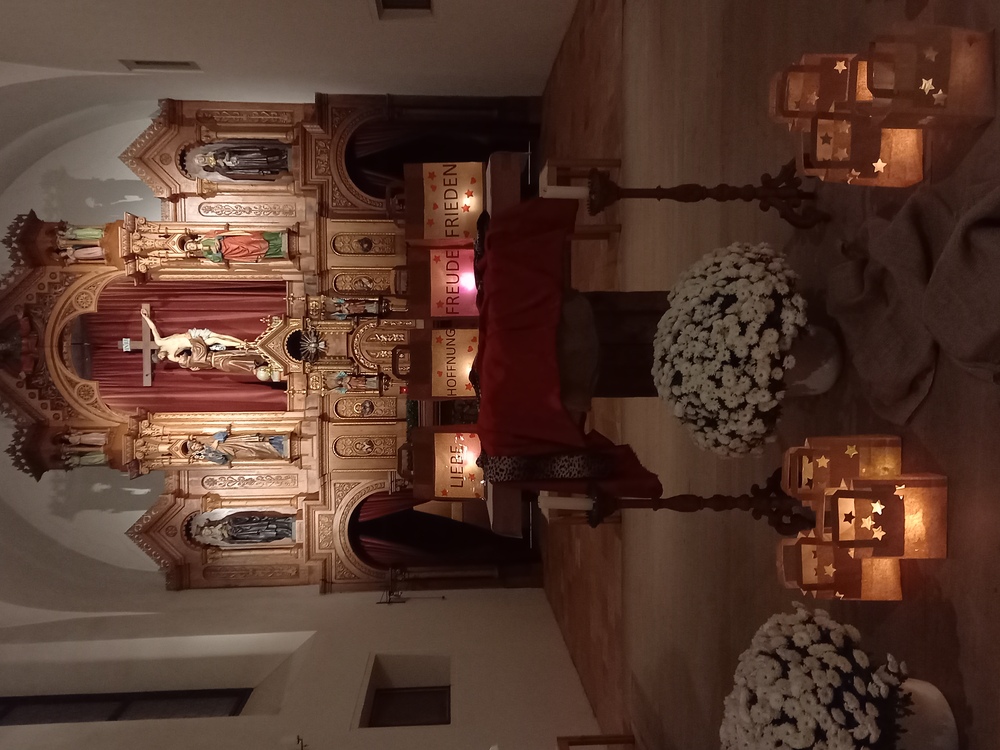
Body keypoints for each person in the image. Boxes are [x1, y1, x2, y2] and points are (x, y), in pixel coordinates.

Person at [139, 308, 248, 365]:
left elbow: (153, 328)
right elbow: (186, 362)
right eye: (161, 359)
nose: (162, 357)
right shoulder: (171, 356)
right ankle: (242, 345)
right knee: (216, 339)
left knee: (219, 335)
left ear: (158, 353)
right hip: (195, 343)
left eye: (160, 356)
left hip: (192, 334)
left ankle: (243, 343)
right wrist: (194, 366)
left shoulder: (160, 342)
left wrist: (145, 317)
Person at [190, 141, 289, 181]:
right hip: (240, 164)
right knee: (262, 163)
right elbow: (226, 172)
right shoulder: (213, 167)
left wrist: (227, 154)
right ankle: (281, 163)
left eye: (199, 157)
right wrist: (222, 165)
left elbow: (225, 149)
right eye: (199, 161)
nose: (201, 159)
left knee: (261, 154)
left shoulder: (213, 153)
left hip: (240, 155)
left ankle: (280, 153)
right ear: (202, 163)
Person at [189, 510, 295, 546]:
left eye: (205, 531)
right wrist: (228, 535)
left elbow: (232, 518)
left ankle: (285, 522)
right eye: (205, 534)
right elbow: (231, 541)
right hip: (248, 534)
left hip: (249, 525)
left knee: (267, 523)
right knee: (266, 534)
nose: (207, 533)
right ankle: (285, 532)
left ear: (206, 527)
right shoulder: (218, 537)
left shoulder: (220, 522)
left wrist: (226, 525)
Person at [185, 431, 288, 465]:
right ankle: (282, 451)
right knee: (258, 451)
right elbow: (222, 461)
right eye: (194, 447)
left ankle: (281, 441)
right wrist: (213, 451)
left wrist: (216, 440)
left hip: (237, 441)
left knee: (259, 441)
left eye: (195, 444)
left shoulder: (208, 440)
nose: (196, 446)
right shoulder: (207, 455)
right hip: (237, 452)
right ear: (196, 451)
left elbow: (223, 433)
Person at [184, 230, 287, 263]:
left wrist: (217, 240)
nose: (192, 247)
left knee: (254, 240)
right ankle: (279, 250)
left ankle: (279, 238)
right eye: (190, 248)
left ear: (193, 242)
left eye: (190, 245)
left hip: (230, 241)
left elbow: (218, 232)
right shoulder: (206, 253)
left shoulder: (206, 238)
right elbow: (217, 259)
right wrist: (215, 252)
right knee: (253, 250)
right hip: (230, 252)